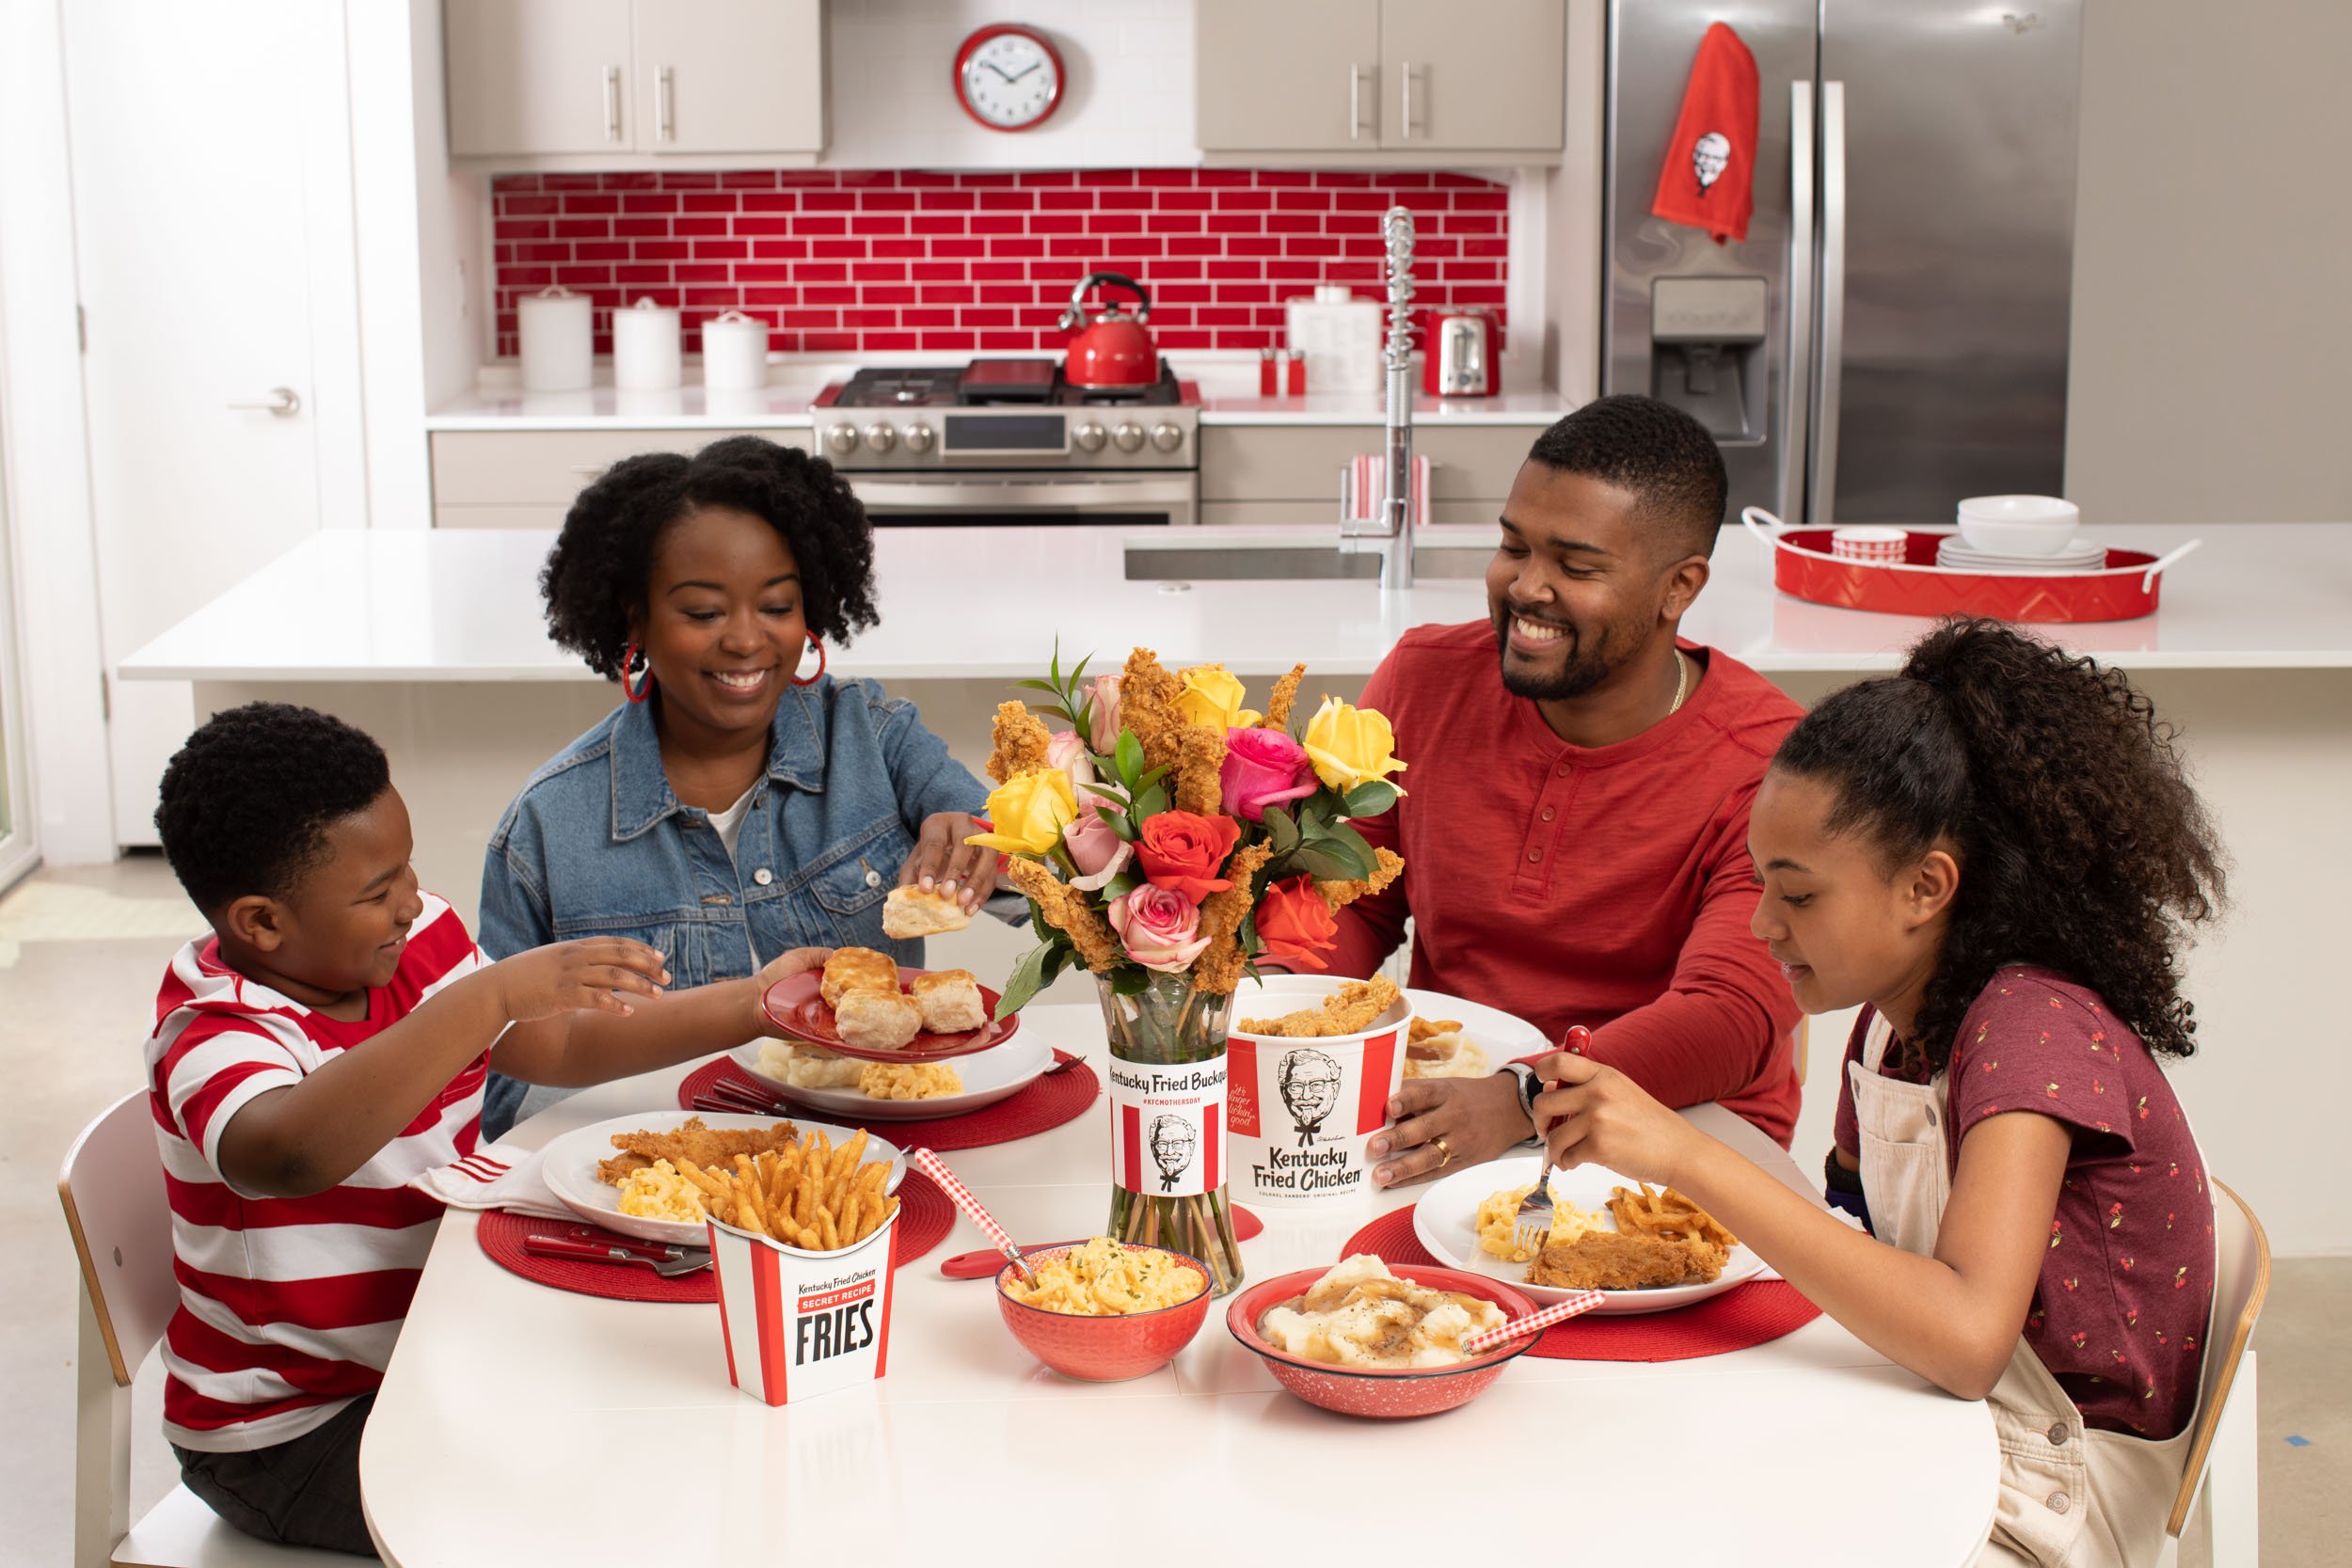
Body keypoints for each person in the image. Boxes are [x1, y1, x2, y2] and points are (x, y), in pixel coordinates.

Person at [1529, 619, 2224, 1567]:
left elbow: (1968, 1335)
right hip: (1944, 1419)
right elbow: (1855, 1243)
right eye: (1758, 883)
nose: (1763, 925)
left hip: (2048, 1489)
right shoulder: (1890, 1025)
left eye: (1799, 894)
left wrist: (1685, 1154)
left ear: (1925, 886)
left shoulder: (2030, 1031)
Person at [146, 702, 829, 1554]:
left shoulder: (416, 940)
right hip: (296, 1431)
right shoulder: (214, 1030)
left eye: (405, 869)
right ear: (261, 922)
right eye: (375, 891)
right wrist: (490, 994)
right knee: (578, 1511)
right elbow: (289, 1152)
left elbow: (560, 1040)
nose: (408, 902)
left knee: (673, 1416)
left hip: (444, 1348)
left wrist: (752, 1002)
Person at [1334, 395, 1805, 1185]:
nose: (1526, 587)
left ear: (1678, 587)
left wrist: (1523, 1096)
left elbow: (1731, 1015)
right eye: (1513, 546)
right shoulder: (1421, 682)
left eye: (1576, 567)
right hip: (1448, 1117)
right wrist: (1277, 994)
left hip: (1680, 1141)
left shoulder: (1770, 761)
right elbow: (1355, 896)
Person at [478, 436, 997, 1139]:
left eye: (777, 606)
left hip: (874, 1160)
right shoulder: (547, 828)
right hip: (662, 1185)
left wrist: (984, 834)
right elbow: (511, 1091)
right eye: (704, 613)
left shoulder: (871, 736)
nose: (747, 640)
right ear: (636, 618)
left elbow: (1049, 879)